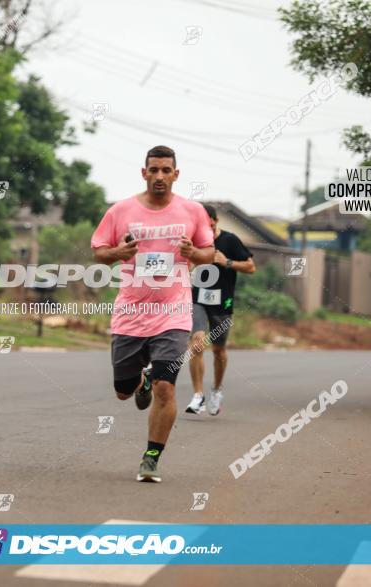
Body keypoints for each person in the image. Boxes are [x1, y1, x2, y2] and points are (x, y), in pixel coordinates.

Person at [91, 145, 215, 482]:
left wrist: (195, 252)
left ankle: (151, 457)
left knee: (166, 389)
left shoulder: (192, 211)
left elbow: (209, 251)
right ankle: (139, 380)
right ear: (144, 173)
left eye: (166, 170)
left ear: (176, 174)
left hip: (173, 313)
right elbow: (100, 251)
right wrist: (119, 251)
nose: (159, 176)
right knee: (122, 390)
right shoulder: (121, 211)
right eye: (154, 170)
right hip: (131, 313)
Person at [185, 203, 255, 416]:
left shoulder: (230, 240)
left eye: (208, 223)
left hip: (222, 302)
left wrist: (228, 262)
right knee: (197, 343)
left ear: (215, 221)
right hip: (198, 299)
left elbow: (251, 267)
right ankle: (198, 396)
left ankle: (216, 390)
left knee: (218, 351)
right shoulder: (195, 240)